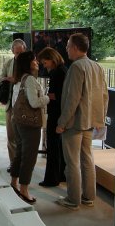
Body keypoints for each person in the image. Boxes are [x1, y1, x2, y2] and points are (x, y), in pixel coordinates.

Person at [56, 33, 108, 210]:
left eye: (68, 45)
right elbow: (104, 96)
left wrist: (62, 122)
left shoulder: (77, 67)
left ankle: (73, 200)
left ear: (76, 47)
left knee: (72, 162)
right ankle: (88, 197)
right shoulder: (97, 67)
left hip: (75, 123)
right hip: (90, 122)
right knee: (87, 159)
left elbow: (72, 99)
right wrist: (99, 119)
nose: (66, 48)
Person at [10, 51, 49, 204]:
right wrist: (46, 98)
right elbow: (34, 103)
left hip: (18, 121)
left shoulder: (19, 79)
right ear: (28, 63)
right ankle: (24, 189)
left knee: (19, 153)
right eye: (34, 60)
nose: (37, 62)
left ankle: (14, 182)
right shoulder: (30, 80)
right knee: (29, 157)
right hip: (30, 125)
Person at [37, 47, 67, 187]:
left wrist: (45, 96)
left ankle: (52, 178)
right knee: (59, 146)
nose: (44, 65)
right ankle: (60, 174)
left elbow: (58, 95)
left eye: (45, 62)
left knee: (53, 147)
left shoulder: (57, 73)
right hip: (59, 112)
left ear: (52, 59)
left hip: (56, 113)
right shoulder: (63, 70)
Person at [0, 38, 27, 172]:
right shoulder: (8, 64)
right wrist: (7, 81)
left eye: (21, 52)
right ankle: (13, 164)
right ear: (12, 52)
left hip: (25, 107)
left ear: (25, 50)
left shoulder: (29, 64)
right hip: (10, 105)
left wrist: (14, 80)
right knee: (11, 137)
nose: (19, 55)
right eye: (16, 53)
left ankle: (23, 164)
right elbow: (0, 79)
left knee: (23, 137)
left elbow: (31, 81)